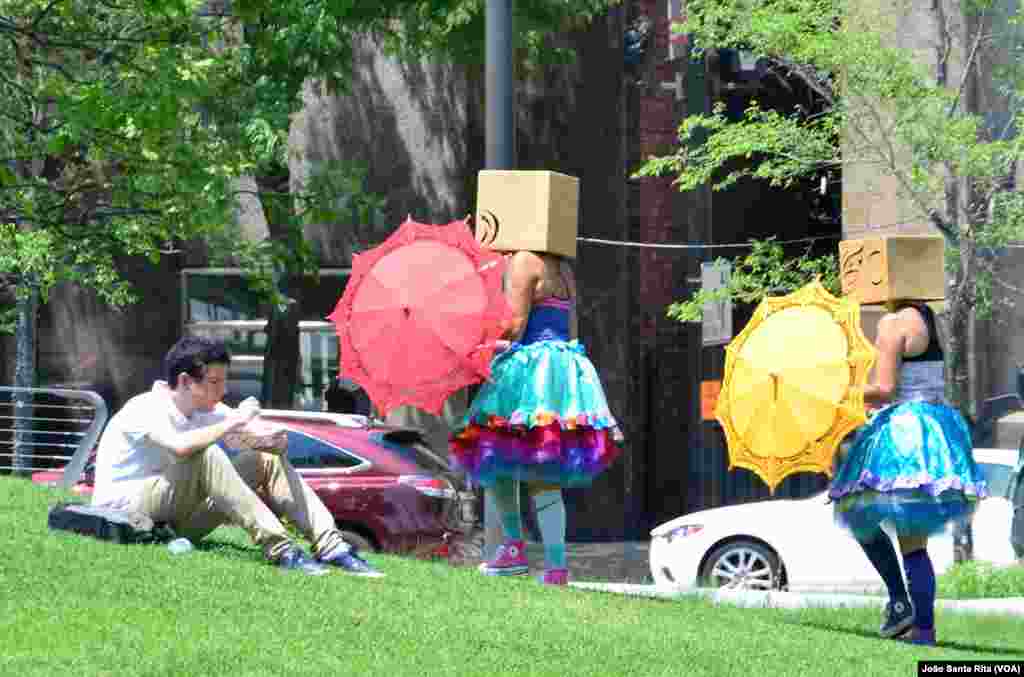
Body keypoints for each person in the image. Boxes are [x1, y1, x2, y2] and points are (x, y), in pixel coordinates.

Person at [91, 336, 383, 577]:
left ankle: (332, 547)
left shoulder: (207, 410)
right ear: (185, 381)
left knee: (262, 458)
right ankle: (282, 550)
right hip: (129, 519)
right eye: (215, 382)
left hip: (171, 523)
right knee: (207, 455)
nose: (224, 389)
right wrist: (234, 421)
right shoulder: (146, 407)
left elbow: (255, 436)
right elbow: (180, 447)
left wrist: (274, 441)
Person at [449, 250, 623, 585]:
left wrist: (477, 338)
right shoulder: (564, 268)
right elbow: (570, 329)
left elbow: (515, 327)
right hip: (563, 369)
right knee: (544, 468)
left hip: (529, 371)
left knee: (492, 451)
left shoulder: (523, 261)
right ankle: (556, 567)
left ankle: (514, 547)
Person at [828, 301, 988, 645]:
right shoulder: (931, 320)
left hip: (903, 433)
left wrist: (839, 391)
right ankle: (922, 630)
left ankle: (902, 604)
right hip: (936, 429)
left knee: (857, 513)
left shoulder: (892, 322)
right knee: (911, 541)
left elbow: (884, 389)